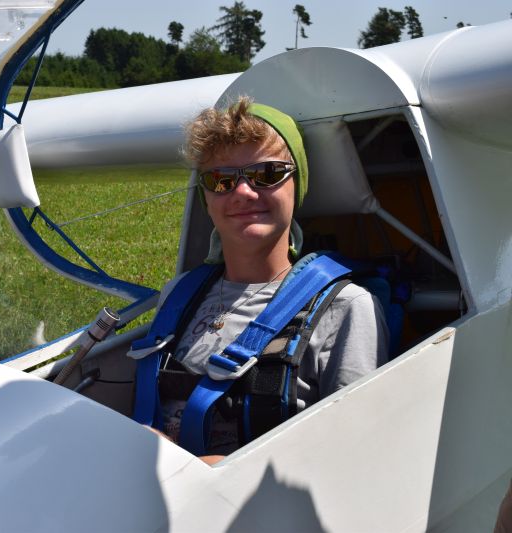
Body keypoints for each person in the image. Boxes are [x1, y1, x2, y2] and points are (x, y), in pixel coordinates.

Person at [131, 96, 389, 465]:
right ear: (206, 197)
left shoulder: (346, 309)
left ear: (296, 185)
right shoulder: (179, 294)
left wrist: (202, 468)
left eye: (267, 174)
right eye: (221, 180)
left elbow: (357, 453)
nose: (242, 192)